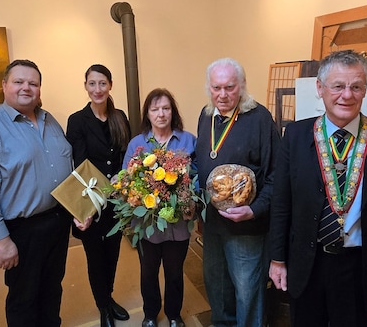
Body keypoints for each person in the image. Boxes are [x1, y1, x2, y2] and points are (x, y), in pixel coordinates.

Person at [269, 50, 367, 326]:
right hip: (307, 265)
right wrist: (277, 259)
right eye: (338, 86)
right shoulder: (295, 135)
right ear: (320, 88)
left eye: (356, 87)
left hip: (361, 269)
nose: (347, 95)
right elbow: (281, 202)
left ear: (366, 90)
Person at [0, 59, 73, 326]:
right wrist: (2, 242)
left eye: (33, 83)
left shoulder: (50, 120)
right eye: (19, 82)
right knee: (24, 298)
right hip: (21, 231)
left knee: (52, 289)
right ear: (4, 86)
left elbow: (65, 168)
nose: (27, 88)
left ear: (39, 89)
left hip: (57, 222)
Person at [196, 58, 281, 327]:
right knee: (217, 287)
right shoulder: (206, 115)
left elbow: (277, 175)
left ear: (242, 86)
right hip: (213, 225)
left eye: (230, 87)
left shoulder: (260, 119)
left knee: (247, 291)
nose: (222, 95)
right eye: (216, 87)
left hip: (247, 227)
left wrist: (254, 210)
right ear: (209, 88)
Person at [123, 88, 197, 327]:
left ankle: (174, 315)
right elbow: (126, 179)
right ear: (148, 114)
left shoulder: (188, 140)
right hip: (147, 224)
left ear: (172, 111)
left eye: (165, 108)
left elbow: (197, 177)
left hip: (178, 223)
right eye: (155, 109)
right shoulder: (137, 143)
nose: (161, 114)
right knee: (148, 272)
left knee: (175, 273)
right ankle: (150, 314)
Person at [65, 64, 131, 327]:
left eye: (102, 83)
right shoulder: (77, 120)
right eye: (92, 84)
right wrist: (99, 194)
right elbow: (80, 164)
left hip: (116, 201)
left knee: (113, 253)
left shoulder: (120, 117)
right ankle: (102, 306)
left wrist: (123, 176)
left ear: (110, 85)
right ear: (85, 87)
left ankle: (109, 297)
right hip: (90, 199)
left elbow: (127, 155)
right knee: (95, 256)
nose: (97, 89)